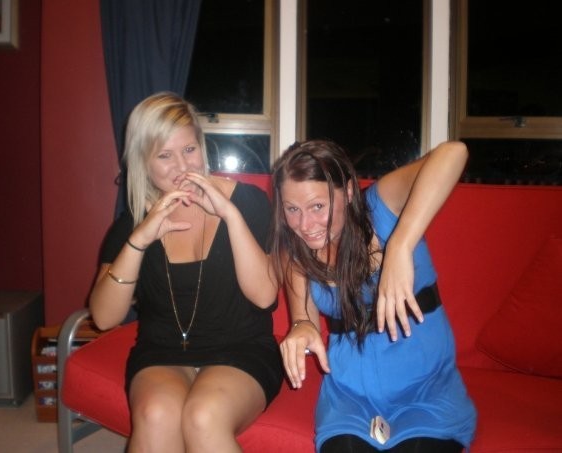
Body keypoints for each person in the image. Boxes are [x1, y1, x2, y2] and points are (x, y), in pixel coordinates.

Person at [89, 92, 283, 452]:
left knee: (203, 415)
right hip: (162, 352)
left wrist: (230, 215)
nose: (182, 166)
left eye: (189, 149)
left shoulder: (247, 202)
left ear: (202, 147)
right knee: (156, 414)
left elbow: (264, 297)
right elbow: (103, 317)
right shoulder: (134, 222)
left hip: (242, 349)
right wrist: (139, 240)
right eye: (165, 155)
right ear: (143, 162)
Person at [270, 139, 477, 452]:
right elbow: (304, 320)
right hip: (350, 398)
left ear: (348, 192)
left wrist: (400, 245)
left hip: (426, 393)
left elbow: (455, 153)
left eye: (318, 207)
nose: (305, 224)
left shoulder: (380, 208)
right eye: (292, 209)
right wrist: (301, 329)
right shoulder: (296, 252)